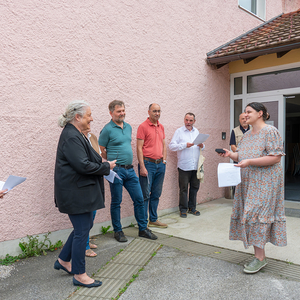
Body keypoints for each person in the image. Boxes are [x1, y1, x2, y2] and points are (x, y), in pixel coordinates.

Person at [218, 102, 286, 274]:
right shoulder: (247, 135)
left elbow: (276, 157)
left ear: (260, 113)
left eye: (249, 112)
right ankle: (258, 255)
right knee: (250, 215)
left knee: (257, 216)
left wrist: (249, 162)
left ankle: (260, 258)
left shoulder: (270, 131)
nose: (245, 115)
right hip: (248, 181)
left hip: (265, 183)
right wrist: (230, 154)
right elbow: (241, 156)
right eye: (244, 112)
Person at [54, 100, 116, 288]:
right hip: (76, 193)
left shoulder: (76, 134)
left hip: (81, 192)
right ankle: (79, 274)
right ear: (78, 117)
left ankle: (64, 260)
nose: (91, 118)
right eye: (89, 115)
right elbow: (83, 165)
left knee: (85, 225)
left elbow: (88, 160)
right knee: (82, 231)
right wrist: (106, 166)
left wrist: (103, 165)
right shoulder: (72, 136)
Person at [98, 100, 157, 242]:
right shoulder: (107, 129)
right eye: (119, 111)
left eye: (123, 110)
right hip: (116, 171)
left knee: (139, 198)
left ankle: (143, 229)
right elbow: (101, 150)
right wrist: (111, 160)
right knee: (116, 202)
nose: (122, 113)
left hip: (130, 171)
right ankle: (118, 231)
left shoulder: (129, 127)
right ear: (111, 113)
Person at [137, 103, 168, 228]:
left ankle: (153, 219)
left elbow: (164, 145)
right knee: (145, 195)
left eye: (159, 111)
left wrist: (164, 161)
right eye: (154, 111)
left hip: (160, 164)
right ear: (148, 112)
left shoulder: (161, 127)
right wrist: (142, 166)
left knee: (156, 193)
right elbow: (139, 148)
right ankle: (143, 223)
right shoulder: (143, 126)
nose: (157, 113)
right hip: (148, 164)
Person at [169, 113, 204, 218]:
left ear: (194, 121)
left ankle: (192, 208)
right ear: (184, 120)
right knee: (183, 189)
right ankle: (183, 209)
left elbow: (201, 147)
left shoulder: (196, 131)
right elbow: (171, 146)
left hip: (195, 166)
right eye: (186, 120)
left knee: (195, 187)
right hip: (184, 166)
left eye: (190, 120)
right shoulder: (179, 132)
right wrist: (184, 145)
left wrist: (202, 145)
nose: (188, 123)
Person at [82, 129, 103, 258]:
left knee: (93, 214)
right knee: (86, 217)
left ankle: (87, 241)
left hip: (95, 179)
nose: (90, 120)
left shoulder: (93, 137)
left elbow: (98, 157)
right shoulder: (78, 138)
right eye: (87, 118)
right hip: (85, 181)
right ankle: (84, 247)